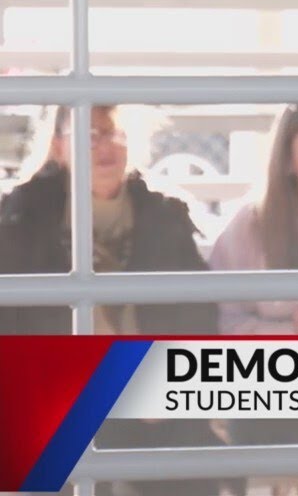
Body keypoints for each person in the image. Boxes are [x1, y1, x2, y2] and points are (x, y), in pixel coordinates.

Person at [0, 104, 227, 496]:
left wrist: (165, 386)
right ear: (57, 147)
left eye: (115, 134)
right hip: (61, 396)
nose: (104, 146)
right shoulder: (20, 220)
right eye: (89, 136)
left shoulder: (164, 214)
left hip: (156, 395)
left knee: (197, 461)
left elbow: (198, 313)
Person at [208, 103, 298, 496]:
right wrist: (293, 336)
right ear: (288, 161)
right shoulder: (251, 225)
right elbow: (222, 321)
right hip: (269, 384)